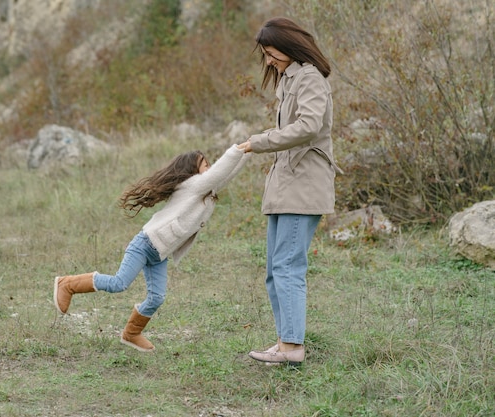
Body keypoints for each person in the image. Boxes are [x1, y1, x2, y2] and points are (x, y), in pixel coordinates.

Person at [53, 143, 249, 352]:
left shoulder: (206, 191)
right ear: (192, 169)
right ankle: (68, 284)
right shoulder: (193, 185)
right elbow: (218, 173)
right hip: (145, 244)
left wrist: (247, 152)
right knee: (119, 283)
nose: (210, 168)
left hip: (159, 254)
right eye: (205, 164)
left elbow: (224, 176)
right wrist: (236, 149)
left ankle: (132, 333)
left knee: (157, 297)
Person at [239, 17, 342, 366]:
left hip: (303, 187)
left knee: (287, 266)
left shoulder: (310, 78)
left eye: (271, 53)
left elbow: (309, 126)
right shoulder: (289, 79)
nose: (268, 61)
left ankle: (293, 347)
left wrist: (261, 141)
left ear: (287, 46)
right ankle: (285, 342)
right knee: (274, 269)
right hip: (286, 186)